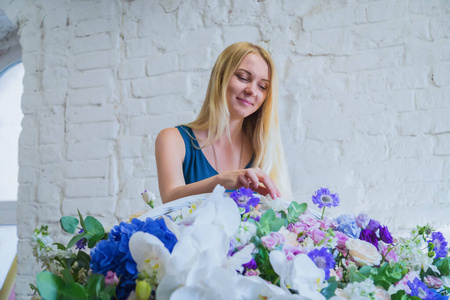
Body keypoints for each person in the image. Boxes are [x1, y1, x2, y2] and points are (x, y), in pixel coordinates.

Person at [155, 42, 291, 203]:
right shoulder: (173, 139)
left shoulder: (264, 149)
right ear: (220, 77)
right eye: (243, 78)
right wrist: (219, 181)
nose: (252, 91)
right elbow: (169, 199)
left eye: (262, 86)